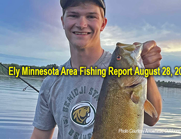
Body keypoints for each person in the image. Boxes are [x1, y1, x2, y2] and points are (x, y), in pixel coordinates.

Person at [30, 0, 162, 139]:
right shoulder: (51, 83)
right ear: (63, 22)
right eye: (74, 15)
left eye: (91, 16)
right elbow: (40, 136)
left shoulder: (119, 70)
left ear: (103, 24)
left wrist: (146, 72)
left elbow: (151, 118)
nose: (81, 24)